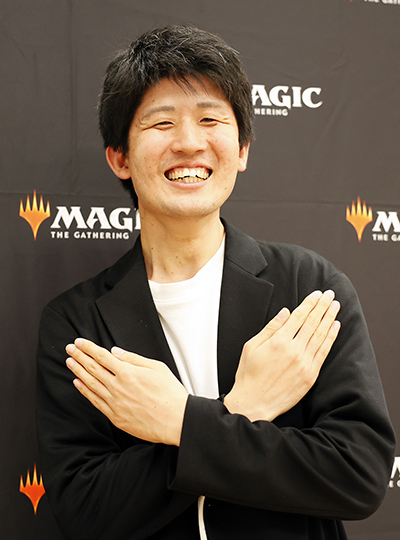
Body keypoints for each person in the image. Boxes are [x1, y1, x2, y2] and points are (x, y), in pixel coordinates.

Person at [35, 25, 395, 540]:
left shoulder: (308, 287)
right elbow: (87, 512)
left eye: (210, 119)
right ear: (120, 158)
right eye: (162, 122)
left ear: (242, 148)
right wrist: (241, 409)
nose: (189, 142)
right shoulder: (77, 323)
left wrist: (179, 422)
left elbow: (357, 475)